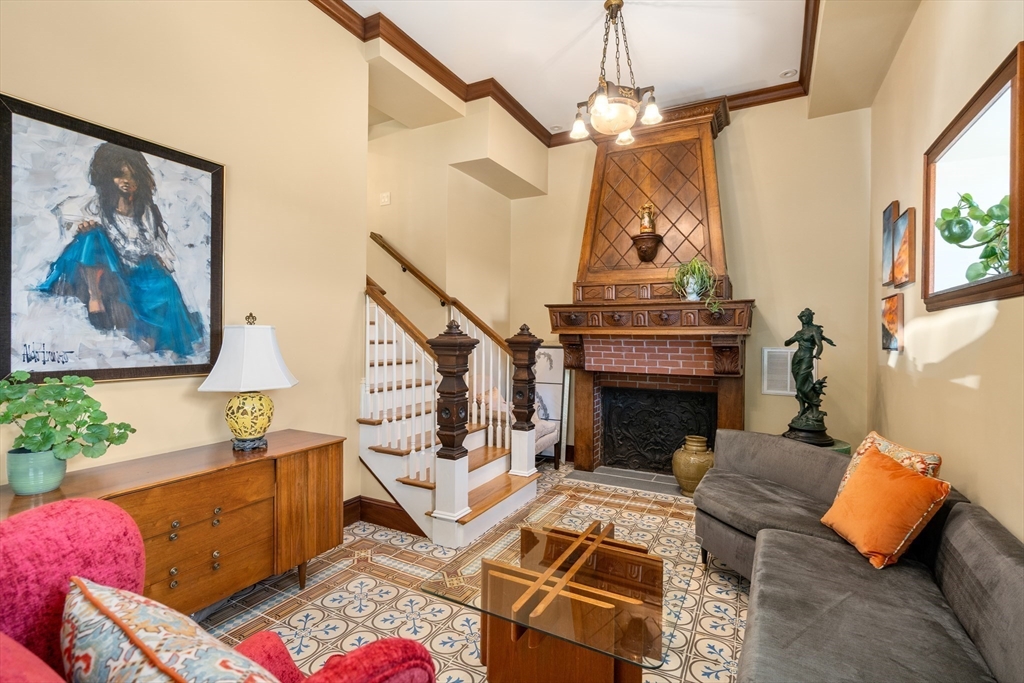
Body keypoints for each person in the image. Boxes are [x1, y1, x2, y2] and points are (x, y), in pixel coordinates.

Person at [38, 143, 203, 357]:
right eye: (119, 175)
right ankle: (94, 298)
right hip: (107, 270)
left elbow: (159, 244)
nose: (126, 181)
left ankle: (153, 343)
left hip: (137, 269)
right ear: (107, 178)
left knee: (165, 282)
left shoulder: (147, 211)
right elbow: (65, 213)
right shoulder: (96, 206)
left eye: (132, 176)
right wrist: (80, 225)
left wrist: (162, 260)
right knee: (92, 235)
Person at [784, 308, 835, 425]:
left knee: (801, 385)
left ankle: (815, 406)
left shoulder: (814, 330)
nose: (803, 318)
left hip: (807, 357)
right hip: (797, 358)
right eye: (802, 317)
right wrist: (793, 339)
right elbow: (786, 343)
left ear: (810, 317)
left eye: (805, 316)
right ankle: (802, 409)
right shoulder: (799, 333)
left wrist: (817, 354)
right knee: (799, 386)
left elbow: (819, 345)